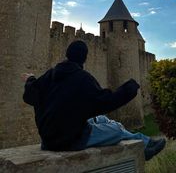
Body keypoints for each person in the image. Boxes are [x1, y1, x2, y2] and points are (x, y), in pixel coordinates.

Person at [22, 40, 166, 161]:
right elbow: (106, 102)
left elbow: (30, 94)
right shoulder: (83, 78)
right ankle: (143, 149)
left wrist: (30, 79)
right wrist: (131, 87)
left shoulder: (50, 74)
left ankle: (146, 142)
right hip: (69, 140)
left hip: (48, 139)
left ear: (67, 54)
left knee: (102, 119)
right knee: (117, 129)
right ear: (85, 58)